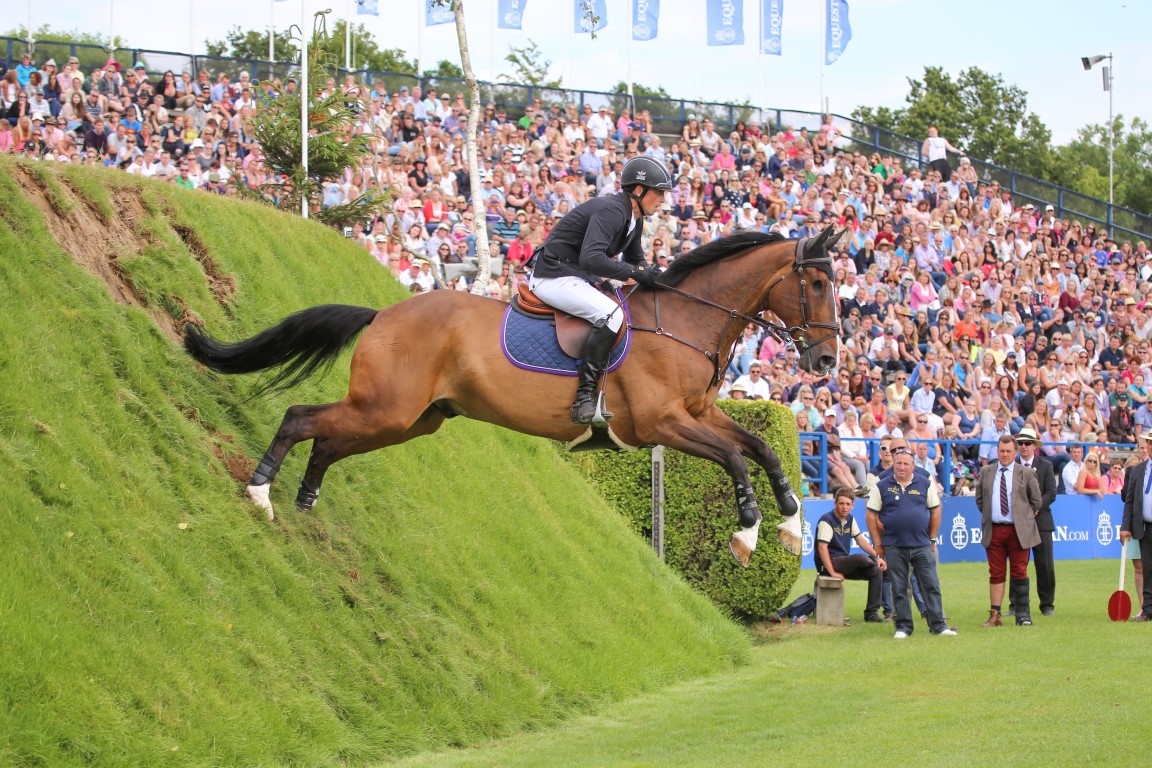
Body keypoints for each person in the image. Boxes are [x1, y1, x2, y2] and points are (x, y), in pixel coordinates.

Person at [530, 155, 669, 424]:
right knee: (611, 315)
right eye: (659, 192)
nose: (663, 199)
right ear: (639, 190)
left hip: (577, 274)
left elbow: (635, 260)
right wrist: (637, 273)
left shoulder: (634, 217)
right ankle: (584, 396)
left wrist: (654, 279)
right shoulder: (613, 211)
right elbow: (592, 258)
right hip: (553, 275)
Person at [865, 447, 956, 638]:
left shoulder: (925, 484)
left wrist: (932, 538)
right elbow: (871, 514)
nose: (902, 467)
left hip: (922, 545)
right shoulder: (881, 486)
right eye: (898, 463)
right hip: (894, 546)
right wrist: (877, 543)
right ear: (894, 465)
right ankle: (903, 627)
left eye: (906, 463)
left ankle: (938, 626)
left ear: (913, 467)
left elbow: (936, 511)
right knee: (898, 588)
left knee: (931, 585)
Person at [975, 435, 1043, 627]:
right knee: (995, 573)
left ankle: (1023, 615)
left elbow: (1036, 501)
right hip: (995, 530)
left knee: (1020, 570)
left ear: (1015, 452)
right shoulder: (986, 472)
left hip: (1018, 531)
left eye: (1008, 451)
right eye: (1001, 451)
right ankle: (994, 615)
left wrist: (1024, 518)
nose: (1005, 455)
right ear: (997, 452)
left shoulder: (1026, 473)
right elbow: (980, 500)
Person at [815, 488, 888, 623]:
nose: (844, 507)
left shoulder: (850, 519)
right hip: (828, 565)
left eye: (848, 504)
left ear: (853, 506)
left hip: (843, 564)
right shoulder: (827, 520)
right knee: (860, 558)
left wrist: (878, 557)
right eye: (841, 503)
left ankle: (871, 614)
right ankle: (880, 564)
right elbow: (822, 548)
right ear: (835, 504)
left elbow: (860, 540)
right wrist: (832, 572)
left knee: (876, 570)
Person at [1015, 427, 1059, 616]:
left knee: (1045, 564)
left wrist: (1036, 507)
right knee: (1017, 564)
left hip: (1041, 520)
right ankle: (1015, 603)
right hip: (1017, 521)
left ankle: (1047, 604)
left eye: (1027, 443)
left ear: (1034, 445)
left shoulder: (1045, 465)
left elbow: (1052, 492)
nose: (1023, 447)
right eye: (1021, 443)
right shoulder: (1011, 465)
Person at [1121, 431, 1152, 623]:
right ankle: (1148, 610)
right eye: (1149, 443)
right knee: (1147, 569)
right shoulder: (1138, 470)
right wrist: (1126, 526)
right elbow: (1130, 501)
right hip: (1145, 527)